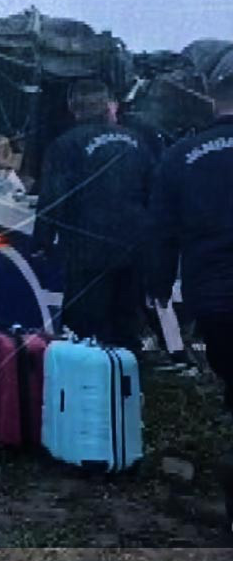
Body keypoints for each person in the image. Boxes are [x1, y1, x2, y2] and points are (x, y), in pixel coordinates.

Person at [150, 65, 233, 531]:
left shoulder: (181, 156)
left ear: (211, 99)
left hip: (215, 302)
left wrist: (159, 289)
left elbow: (160, 232)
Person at [34, 79, 154, 350]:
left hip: (87, 252)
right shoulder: (138, 142)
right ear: (108, 106)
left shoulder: (64, 145)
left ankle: (90, 384)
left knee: (85, 329)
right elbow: (154, 193)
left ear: (73, 109)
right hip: (135, 249)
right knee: (125, 323)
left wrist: (41, 242)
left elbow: (53, 198)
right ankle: (127, 381)